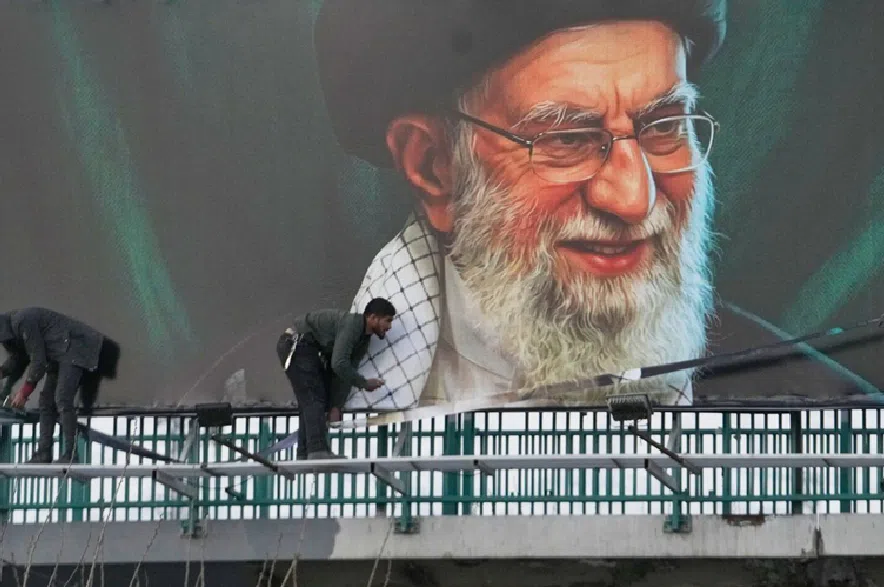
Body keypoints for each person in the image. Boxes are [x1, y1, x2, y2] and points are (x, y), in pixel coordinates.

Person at [314, 0, 880, 411]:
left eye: (663, 126)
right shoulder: (274, 406)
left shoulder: (825, 420)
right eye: (566, 139)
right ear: (434, 167)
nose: (634, 197)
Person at [276, 298, 395, 459]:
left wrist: (335, 406)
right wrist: (364, 383)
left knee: (312, 400)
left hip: (307, 349)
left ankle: (305, 451)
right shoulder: (352, 326)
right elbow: (339, 364)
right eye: (387, 321)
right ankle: (317, 450)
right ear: (372, 317)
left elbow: (344, 371)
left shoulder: (362, 339)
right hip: (298, 345)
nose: (389, 327)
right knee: (313, 398)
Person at [0, 307, 119, 463]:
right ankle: (44, 452)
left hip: (75, 348)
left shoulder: (23, 322)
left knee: (62, 398)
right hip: (59, 354)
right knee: (46, 402)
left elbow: (38, 361)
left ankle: (71, 454)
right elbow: (19, 358)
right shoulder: (13, 330)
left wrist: (24, 392)